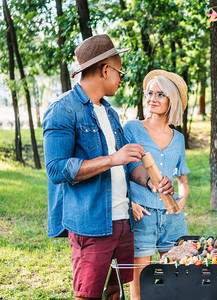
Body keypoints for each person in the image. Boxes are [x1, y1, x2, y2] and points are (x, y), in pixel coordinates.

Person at [43, 34, 174, 300]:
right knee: (88, 294)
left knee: (116, 289)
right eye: (120, 71)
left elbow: (127, 164)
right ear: (105, 69)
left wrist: (151, 183)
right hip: (91, 225)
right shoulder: (63, 110)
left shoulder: (110, 113)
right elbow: (56, 169)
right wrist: (112, 159)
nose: (122, 78)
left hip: (123, 222)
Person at [123, 70, 190, 299]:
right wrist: (129, 202)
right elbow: (121, 170)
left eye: (160, 94)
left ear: (172, 100)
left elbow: (183, 180)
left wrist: (182, 199)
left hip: (172, 217)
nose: (152, 98)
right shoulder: (132, 129)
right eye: (149, 93)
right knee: (140, 277)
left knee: (175, 274)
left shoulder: (178, 138)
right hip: (143, 214)